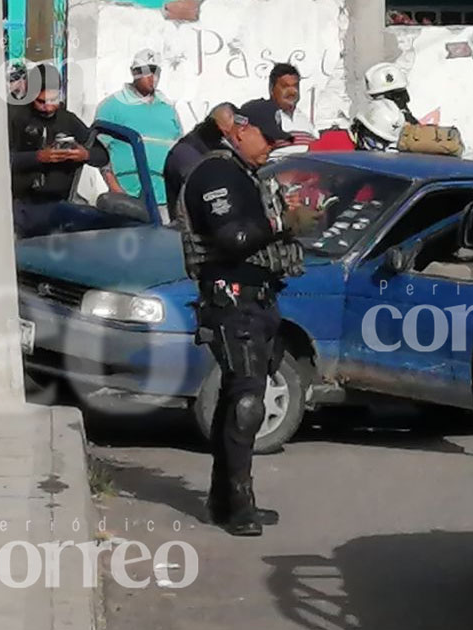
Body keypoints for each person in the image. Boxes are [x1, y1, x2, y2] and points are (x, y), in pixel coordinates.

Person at [175, 106, 316, 537]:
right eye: (266, 137)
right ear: (239, 131)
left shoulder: (244, 174)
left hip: (257, 298)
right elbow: (232, 238)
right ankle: (239, 504)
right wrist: (281, 222)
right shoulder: (215, 175)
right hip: (232, 299)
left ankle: (224, 498)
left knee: (239, 394)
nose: (271, 146)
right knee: (247, 400)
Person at [9, 64, 110, 237]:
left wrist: (84, 154)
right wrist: (38, 157)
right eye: (41, 102)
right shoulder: (15, 118)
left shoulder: (68, 120)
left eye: (53, 100)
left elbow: (102, 155)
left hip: (60, 209)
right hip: (22, 209)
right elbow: (0, 161)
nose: (48, 108)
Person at [164, 102, 291, 219]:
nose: (233, 138)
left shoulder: (239, 159)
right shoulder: (190, 155)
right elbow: (216, 201)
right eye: (228, 132)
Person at [95, 49, 184, 205]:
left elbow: (179, 149)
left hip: (165, 199)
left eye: (155, 71)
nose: (152, 77)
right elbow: (100, 151)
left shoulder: (168, 108)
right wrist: (116, 189)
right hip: (127, 198)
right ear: (133, 72)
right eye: (145, 71)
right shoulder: (111, 106)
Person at [242, 63, 319, 147]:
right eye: (285, 86)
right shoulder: (260, 113)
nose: (292, 91)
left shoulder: (304, 118)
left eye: (295, 86)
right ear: (271, 89)